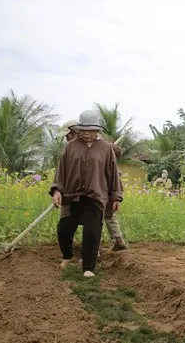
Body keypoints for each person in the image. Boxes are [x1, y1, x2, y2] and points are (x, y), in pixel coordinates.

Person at [50, 110, 123, 277]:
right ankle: (67, 255)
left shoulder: (106, 149)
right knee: (64, 228)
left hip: (96, 196)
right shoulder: (70, 147)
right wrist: (57, 190)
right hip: (73, 195)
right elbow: (61, 171)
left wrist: (116, 196)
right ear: (78, 130)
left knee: (92, 231)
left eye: (90, 130)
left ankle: (88, 267)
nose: (87, 134)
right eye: (83, 130)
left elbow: (112, 174)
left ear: (97, 130)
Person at [57, 121, 128, 251]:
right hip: (76, 191)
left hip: (101, 187)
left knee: (100, 217)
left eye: (68, 135)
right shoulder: (71, 148)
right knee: (73, 218)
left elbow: (115, 155)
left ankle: (100, 247)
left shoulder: (102, 144)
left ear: (74, 133)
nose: (67, 138)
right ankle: (73, 248)